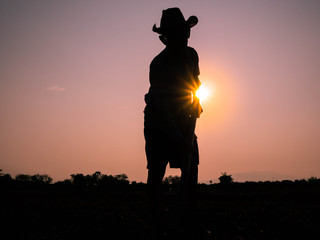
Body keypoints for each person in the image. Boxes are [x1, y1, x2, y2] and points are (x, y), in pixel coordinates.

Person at [143, 7, 203, 228]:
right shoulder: (158, 65)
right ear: (166, 38)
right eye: (178, 34)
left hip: (183, 116)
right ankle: (154, 220)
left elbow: (195, 83)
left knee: (191, 163)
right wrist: (178, 138)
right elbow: (163, 106)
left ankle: (188, 217)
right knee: (157, 170)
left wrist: (197, 101)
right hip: (158, 121)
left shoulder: (191, 55)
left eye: (185, 32)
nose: (185, 37)